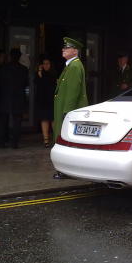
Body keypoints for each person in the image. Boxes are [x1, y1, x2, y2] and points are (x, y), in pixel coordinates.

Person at [52, 37, 88, 179]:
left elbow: (73, 92)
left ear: (75, 51)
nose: (63, 49)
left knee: (65, 141)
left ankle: (64, 170)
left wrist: (67, 112)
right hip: (65, 109)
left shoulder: (74, 66)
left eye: (67, 48)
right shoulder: (71, 65)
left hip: (66, 111)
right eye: (64, 47)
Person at [0, 48, 29, 149]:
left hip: (4, 97)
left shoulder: (2, 68)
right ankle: (14, 143)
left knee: (2, 121)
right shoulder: (24, 69)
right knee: (17, 122)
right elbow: (25, 84)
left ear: (10, 56)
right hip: (18, 98)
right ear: (19, 57)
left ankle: (1, 142)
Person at [35, 55, 57, 148]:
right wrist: (39, 72)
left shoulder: (54, 74)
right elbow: (36, 83)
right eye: (44, 64)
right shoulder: (39, 74)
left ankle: (56, 139)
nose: (45, 66)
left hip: (52, 100)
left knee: (53, 120)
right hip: (42, 100)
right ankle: (46, 140)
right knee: (44, 119)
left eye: (47, 64)